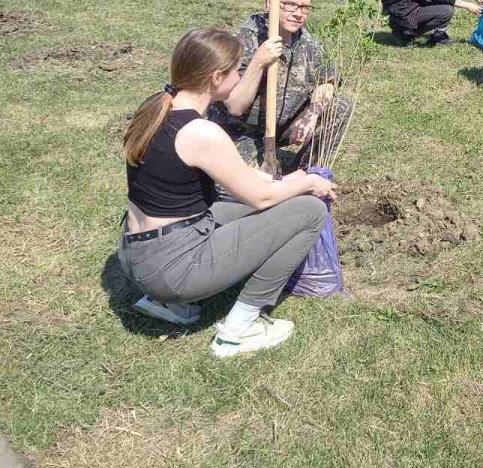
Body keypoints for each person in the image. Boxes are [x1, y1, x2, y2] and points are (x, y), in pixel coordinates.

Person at [120, 28, 336, 357]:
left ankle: (170, 305)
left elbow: (240, 176)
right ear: (217, 77)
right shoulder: (202, 133)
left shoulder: (157, 109)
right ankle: (240, 329)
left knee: (238, 209)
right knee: (309, 211)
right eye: (237, 69)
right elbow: (260, 198)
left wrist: (284, 182)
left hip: (137, 254)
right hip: (171, 268)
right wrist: (305, 182)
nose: (239, 75)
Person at [210, 0, 351, 171]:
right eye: (290, 5)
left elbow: (328, 81)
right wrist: (259, 62)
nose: (298, 13)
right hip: (237, 133)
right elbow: (235, 106)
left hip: (280, 129)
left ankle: (305, 173)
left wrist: (312, 113)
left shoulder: (306, 42)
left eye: (305, 7)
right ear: (269, 4)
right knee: (254, 189)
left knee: (340, 106)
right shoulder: (242, 41)